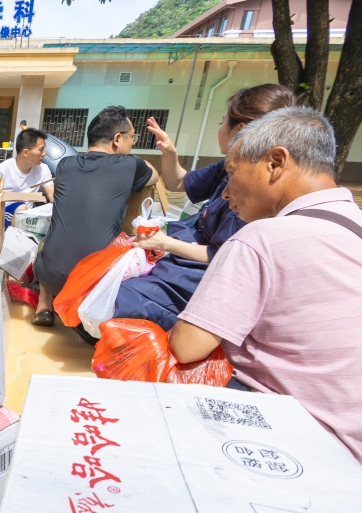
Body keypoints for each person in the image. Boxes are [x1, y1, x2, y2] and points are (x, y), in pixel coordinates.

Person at [169, 107, 362, 482]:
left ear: (275, 162)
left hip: (306, 450)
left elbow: (186, 347)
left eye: (233, 172)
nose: (225, 191)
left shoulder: (260, 239)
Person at [113, 84, 297, 330]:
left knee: (114, 302)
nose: (228, 192)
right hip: (180, 259)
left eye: (222, 121)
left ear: (240, 131)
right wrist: (170, 152)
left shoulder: (253, 193)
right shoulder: (227, 168)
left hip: (197, 277)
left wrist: (165, 243)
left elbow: (226, 255)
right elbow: (178, 182)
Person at [32, 106, 156, 328]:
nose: (133, 143)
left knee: (45, 240)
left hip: (52, 277)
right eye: (132, 137)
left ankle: (43, 304)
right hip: (94, 285)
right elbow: (154, 175)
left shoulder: (65, 165)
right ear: (117, 139)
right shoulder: (129, 165)